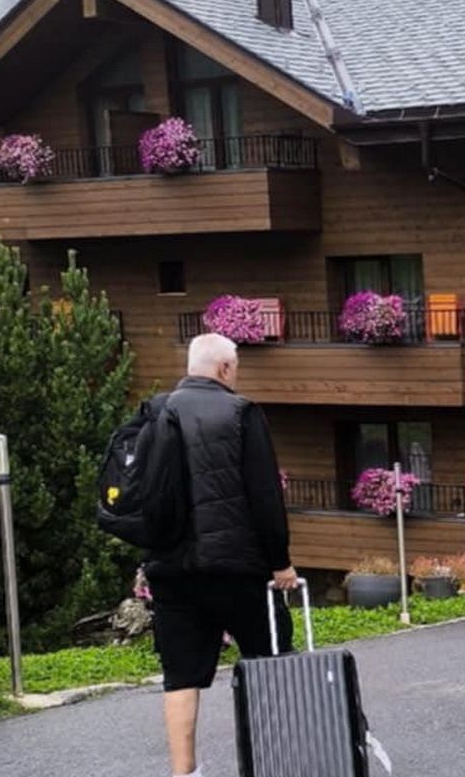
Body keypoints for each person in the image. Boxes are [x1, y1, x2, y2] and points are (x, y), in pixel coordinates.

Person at [146, 333, 300, 777]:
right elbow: (265, 495)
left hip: (172, 570)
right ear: (225, 368)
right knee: (268, 662)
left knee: (180, 677)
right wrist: (280, 561)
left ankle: (184, 773)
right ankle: (272, 764)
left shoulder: (156, 412)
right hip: (239, 568)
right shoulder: (240, 413)